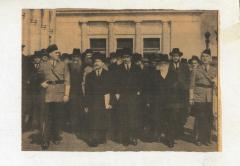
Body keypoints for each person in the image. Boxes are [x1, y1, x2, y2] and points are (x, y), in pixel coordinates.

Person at [39, 44, 70, 150]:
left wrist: (66, 94)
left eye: (58, 52)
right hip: (47, 93)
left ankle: (56, 136)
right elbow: (36, 77)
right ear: (50, 54)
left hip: (59, 93)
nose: (58, 54)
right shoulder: (43, 65)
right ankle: (45, 140)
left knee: (57, 116)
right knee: (46, 117)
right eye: (56, 52)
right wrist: (41, 83)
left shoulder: (63, 65)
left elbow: (68, 81)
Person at [189, 49, 217, 146]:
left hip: (210, 96)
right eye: (203, 56)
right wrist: (191, 98)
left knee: (209, 118)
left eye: (206, 56)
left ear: (210, 58)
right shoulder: (196, 70)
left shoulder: (214, 70)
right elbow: (191, 85)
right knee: (199, 117)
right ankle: (197, 138)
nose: (204, 58)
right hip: (199, 95)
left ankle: (207, 139)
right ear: (201, 58)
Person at [85, 52, 111, 147]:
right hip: (93, 101)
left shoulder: (108, 74)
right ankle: (94, 139)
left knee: (103, 119)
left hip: (104, 100)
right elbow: (87, 91)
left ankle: (102, 137)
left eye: (99, 61)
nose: (96, 63)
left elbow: (110, 89)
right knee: (93, 119)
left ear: (103, 63)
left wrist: (109, 103)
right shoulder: (89, 75)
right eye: (95, 61)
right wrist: (86, 105)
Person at [151, 54, 178, 148]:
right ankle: (158, 135)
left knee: (170, 120)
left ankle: (170, 139)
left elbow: (176, 89)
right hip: (158, 101)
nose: (162, 65)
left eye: (164, 63)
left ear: (167, 64)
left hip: (170, 102)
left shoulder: (173, 74)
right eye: (160, 63)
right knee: (158, 119)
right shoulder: (155, 74)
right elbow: (151, 88)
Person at [116, 48, 142, 146]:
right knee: (124, 117)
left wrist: (139, 91)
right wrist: (117, 93)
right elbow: (116, 82)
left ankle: (134, 137)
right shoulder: (119, 68)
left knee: (134, 117)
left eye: (127, 57)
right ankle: (125, 138)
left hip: (133, 96)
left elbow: (141, 81)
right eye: (124, 57)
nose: (126, 59)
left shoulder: (137, 68)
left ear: (130, 57)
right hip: (123, 96)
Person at [169, 48, 190, 138]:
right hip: (172, 94)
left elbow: (188, 78)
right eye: (174, 56)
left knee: (182, 113)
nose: (175, 57)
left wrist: (185, 87)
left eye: (177, 56)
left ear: (179, 57)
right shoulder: (168, 66)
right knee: (173, 113)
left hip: (182, 94)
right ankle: (172, 132)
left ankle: (179, 131)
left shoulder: (184, 66)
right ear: (172, 57)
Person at [68, 48, 84, 135]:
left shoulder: (83, 67)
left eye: (77, 58)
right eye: (74, 58)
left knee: (80, 109)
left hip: (80, 91)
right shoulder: (69, 67)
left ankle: (80, 127)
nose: (76, 60)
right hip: (72, 91)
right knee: (72, 109)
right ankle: (73, 127)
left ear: (80, 59)